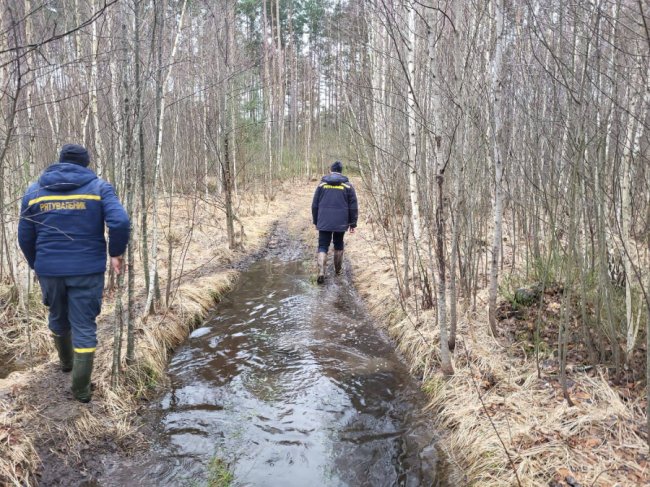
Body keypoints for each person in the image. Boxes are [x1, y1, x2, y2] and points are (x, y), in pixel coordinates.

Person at [18, 144, 130, 403]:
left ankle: (66, 364)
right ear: (85, 164)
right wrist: (116, 253)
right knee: (84, 325)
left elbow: (24, 235)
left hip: (49, 270)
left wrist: (38, 264)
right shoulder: (99, 188)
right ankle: (81, 390)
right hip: (86, 270)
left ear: (60, 162)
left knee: (57, 316)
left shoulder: (34, 191)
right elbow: (121, 222)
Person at [311, 161, 358, 284]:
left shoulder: (322, 185)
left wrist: (316, 221)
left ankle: (321, 272)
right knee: (338, 244)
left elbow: (314, 205)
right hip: (341, 222)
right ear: (341, 171)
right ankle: (338, 272)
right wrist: (353, 224)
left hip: (324, 220)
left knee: (322, 245)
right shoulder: (348, 186)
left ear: (330, 170)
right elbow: (353, 206)